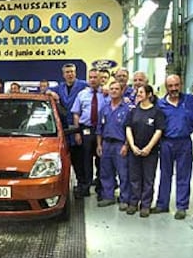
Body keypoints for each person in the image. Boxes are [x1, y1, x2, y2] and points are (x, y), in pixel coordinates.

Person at [152, 74, 193, 219]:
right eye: (170, 86)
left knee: (183, 176)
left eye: (176, 85)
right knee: (165, 174)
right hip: (166, 142)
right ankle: (162, 204)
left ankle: (181, 207)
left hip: (184, 142)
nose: (174, 88)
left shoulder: (191, 101)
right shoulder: (160, 104)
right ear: (166, 87)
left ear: (181, 84)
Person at [46, 63, 88, 198]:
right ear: (63, 75)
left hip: (77, 127)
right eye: (67, 72)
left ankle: (82, 186)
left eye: (72, 72)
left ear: (75, 73)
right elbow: (44, 91)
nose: (70, 74)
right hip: (63, 129)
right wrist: (50, 92)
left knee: (79, 160)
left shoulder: (83, 85)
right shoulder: (59, 87)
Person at [125, 85, 165, 217]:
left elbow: (159, 130)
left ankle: (146, 205)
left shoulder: (156, 112)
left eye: (141, 92)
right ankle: (133, 202)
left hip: (150, 153)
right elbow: (128, 128)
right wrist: (132, 146)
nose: (138, 94)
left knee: (148, 178)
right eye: (138, 92)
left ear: (149, 94)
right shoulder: (133, 111)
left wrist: (149, 147)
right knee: (134, 178)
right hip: (134, 151)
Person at [71, 68, 107, 199]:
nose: (92, 80)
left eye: (95, 77)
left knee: (101, 160)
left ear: (100, 79)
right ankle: (85, 186)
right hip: (86, 129)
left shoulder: (105, 94)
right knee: (85, 160)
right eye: (90, 77)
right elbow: (76, 113)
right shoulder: (82, 94)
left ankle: (100, 188)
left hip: (102, 130)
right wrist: (77, 132)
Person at [96, 81, 130, 210]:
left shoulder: (127, 109)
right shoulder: (104, 109)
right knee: (106, 172)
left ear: (122, 91)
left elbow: (129, 129)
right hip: (106, 144)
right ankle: (108, 196)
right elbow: (99, 128)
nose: (114, 91)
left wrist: (126, 145)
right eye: (112, 89)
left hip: (120, 144)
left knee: (123, 173)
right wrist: (99, 145)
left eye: (117, 89)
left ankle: (124, 199)